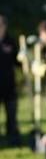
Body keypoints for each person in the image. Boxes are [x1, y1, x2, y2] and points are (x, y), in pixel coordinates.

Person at [0, 16, 19, 146]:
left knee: (11, 116)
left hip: (9, 86)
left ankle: (12, 139)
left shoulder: (10, 42)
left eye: (2, 25)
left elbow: (17, 61)